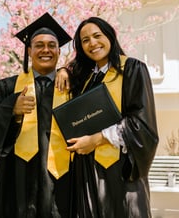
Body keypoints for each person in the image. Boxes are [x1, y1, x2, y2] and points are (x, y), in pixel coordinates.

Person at [0, 12, 73, 218]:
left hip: (64, 181)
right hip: (17, 181)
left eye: (52, 45)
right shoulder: (9, 86)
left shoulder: (72, 85)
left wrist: (69, 70)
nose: (46, 50)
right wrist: (11, 108)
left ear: (59, 51)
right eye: (39, 45)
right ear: (29, 50)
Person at [57, 16, 159, 217]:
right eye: (85, 40)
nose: (92, 43)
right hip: (87, 171)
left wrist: (96, 139)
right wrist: (63, 69)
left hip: (121, 172)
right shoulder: (85, 76)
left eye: (97, 36)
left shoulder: (132, 68)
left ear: (110, 36)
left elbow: (141, 123)